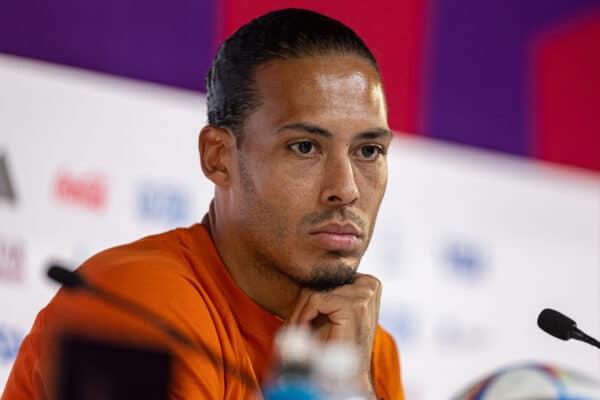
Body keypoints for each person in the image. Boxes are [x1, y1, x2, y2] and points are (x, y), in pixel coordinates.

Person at [2, 8, 404, 400]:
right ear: (218, 157)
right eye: (304, 147)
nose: (346, 188)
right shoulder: (140, 303)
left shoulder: (360, 339)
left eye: (368, 151)